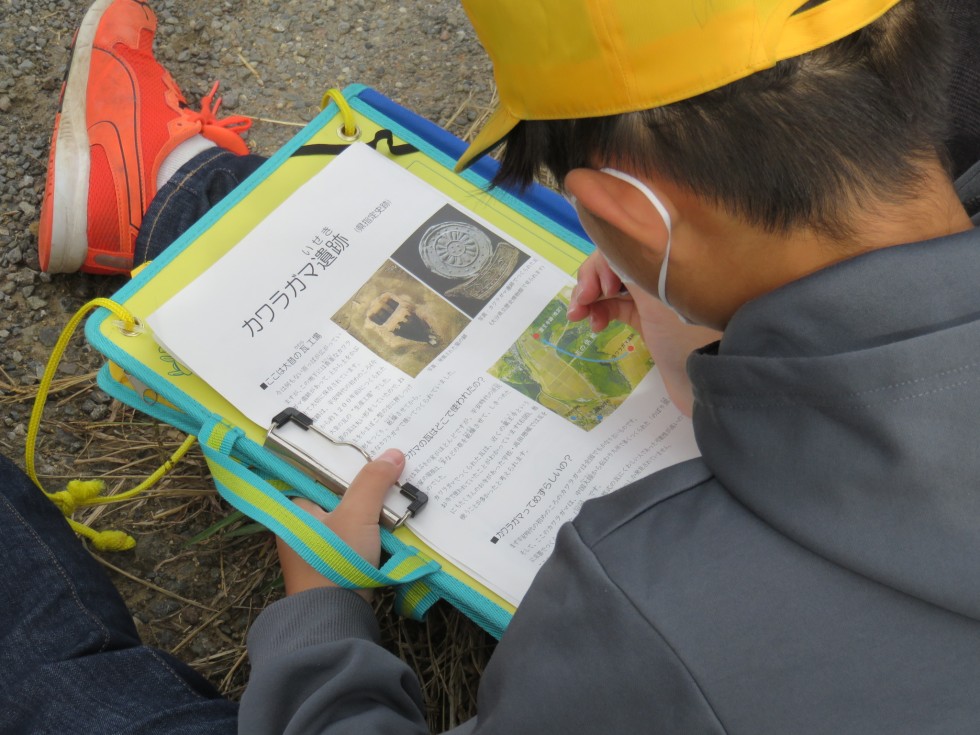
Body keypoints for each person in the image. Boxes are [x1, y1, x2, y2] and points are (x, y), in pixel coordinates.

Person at [8, 0, 980, 733]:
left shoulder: (645, 622)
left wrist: (321, 617)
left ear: (623, 213)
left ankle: (168, 188)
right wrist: (704, 306)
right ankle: (169, 187)